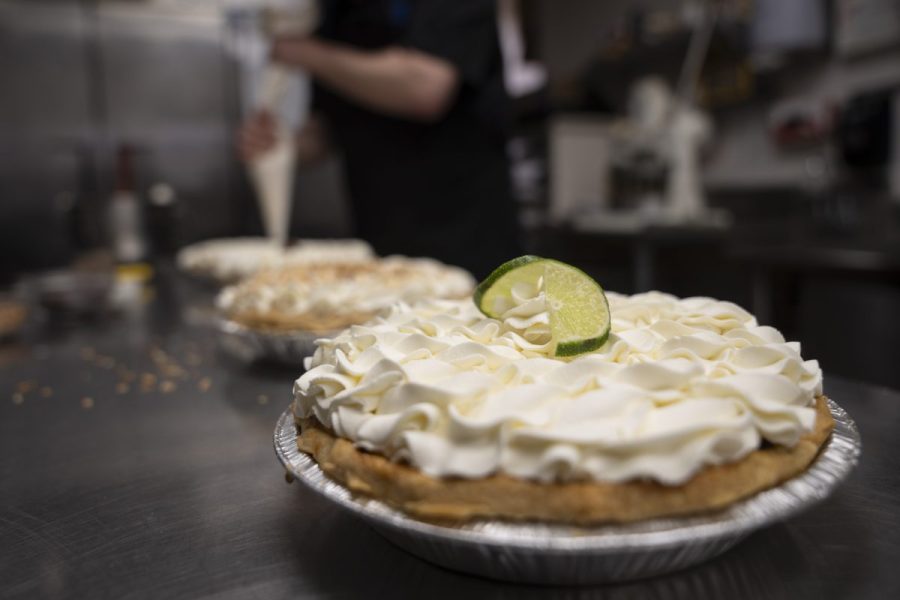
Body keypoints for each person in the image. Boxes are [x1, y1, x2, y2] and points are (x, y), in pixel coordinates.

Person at [237, 0, 521, 278]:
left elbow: (426, 88)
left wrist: (306, 53)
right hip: (379, 240)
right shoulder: (339, 11)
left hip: (464, 237)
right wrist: (282, 146)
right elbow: (327, 131)